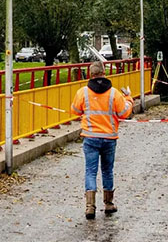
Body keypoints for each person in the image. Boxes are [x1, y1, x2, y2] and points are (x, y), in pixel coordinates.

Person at [70, 60, 133, 219]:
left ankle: (90, 207)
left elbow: (75, 110)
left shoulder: (83, 92)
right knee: (107, 170)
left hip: (90, 137)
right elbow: (124, 113)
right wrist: (129, 99)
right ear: (105, 73)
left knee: (90, 171)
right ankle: (109, 204)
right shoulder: (114, 93)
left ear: (90, 75)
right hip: (109, 138)